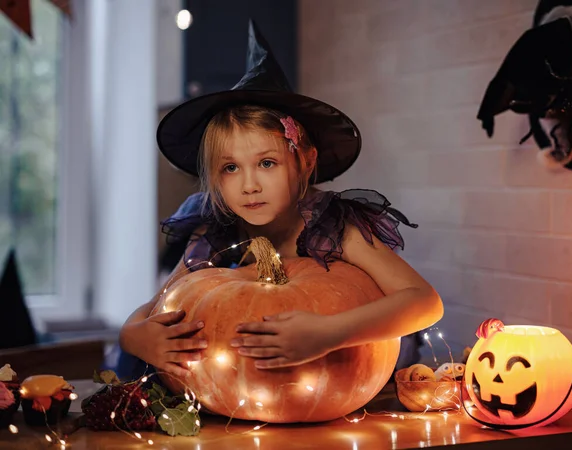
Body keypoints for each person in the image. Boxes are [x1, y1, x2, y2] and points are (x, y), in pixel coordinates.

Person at [118, 20, 443, 381]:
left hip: (335, 382)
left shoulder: (333, 228)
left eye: (266, 163)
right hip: (238, 399)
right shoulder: (216, 230)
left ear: (305, 161)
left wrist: (329, 333)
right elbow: (153, 308)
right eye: (230, 168)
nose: (249, 185)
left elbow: (425, 301)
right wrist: (132, 336)